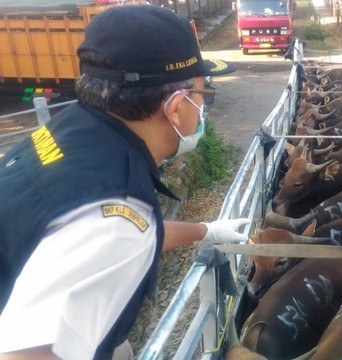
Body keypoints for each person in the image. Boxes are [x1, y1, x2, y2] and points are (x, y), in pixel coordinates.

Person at [0, 5, 249, 360]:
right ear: (176, 107)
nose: (201, 105)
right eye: (201, 93)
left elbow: (127, 229)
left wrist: (205, 230)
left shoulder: (76, 128)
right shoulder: (113, 217)